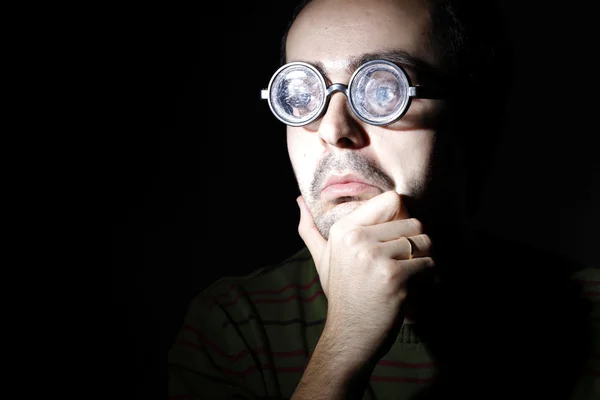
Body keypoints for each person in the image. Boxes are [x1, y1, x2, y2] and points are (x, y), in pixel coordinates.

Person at [167, 0, 599, 399]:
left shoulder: (590, 315)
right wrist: (344, 347)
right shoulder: (235, 328)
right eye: (302, 94)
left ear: (472, 120)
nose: (334, 130)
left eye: (382, 90)